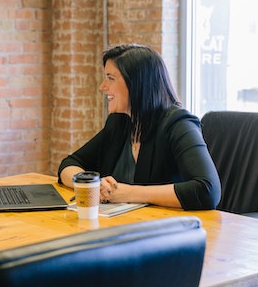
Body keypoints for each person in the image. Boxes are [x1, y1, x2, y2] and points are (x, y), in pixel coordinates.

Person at [58, 44, 221, 210]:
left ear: (137, 83)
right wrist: (91, 186)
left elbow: (207, 191)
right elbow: (70, 163)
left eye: (111, 78)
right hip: (125, 224)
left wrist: (127, 193)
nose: (102, 86)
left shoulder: (179, 124)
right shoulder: (119, 122)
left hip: (166, 228)